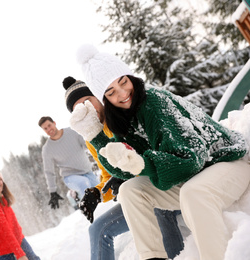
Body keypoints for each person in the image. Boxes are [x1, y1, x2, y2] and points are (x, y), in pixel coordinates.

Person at [70, 44, 250, 260]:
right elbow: (124, 171)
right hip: (194, 176)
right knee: (130, 191)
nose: (123, 93)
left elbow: (190, 160)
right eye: (111, 92)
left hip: (227, 163)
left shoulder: (154, 102)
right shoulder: (122, 119)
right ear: (105, 98)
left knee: (193, 193)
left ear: (130, 76)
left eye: (123, 82)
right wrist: (96, 136)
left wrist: (143, 164)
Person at [63, 76, 184, 260]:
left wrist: (127, 175)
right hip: (134, 195)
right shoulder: (91, 139)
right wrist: (97, 194)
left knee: (159, 209)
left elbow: (150, 152)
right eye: (78, 108)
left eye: (88, 101)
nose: (86, 109)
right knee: (98, 229)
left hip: (163, 184)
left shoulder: (121, 113)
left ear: (98, 96)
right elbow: (108, 176)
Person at [38, 116, 100, 209]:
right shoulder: (47, 149)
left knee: (99, 193)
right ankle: (90, 210)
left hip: (88, 171)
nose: (48, 129)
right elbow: (49, 172)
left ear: (54, 123)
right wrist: (53, 191)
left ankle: (78, 198)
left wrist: (102, 153)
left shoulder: (72, 132)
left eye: (49, 125)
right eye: (45, 128)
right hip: (70, 177)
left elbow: (88, 145)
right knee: (84, 183)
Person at [0, 170, 40, 260]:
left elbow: (14, 225)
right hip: (3, 250)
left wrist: (21, 242)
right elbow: (5, 231)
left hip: (16, 240)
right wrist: (20, 254)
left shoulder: (3, 200)